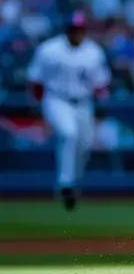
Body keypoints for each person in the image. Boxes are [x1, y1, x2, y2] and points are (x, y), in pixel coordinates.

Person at [26, 11, 111, 210]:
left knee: (85, 144)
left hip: (83, 102)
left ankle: (73, 183)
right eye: (73, 30)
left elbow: (101, 85)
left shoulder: (94, 52)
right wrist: (40, 109)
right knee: (68, 133)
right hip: (57, 99)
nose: (76, 33)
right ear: (66, 30)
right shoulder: (49, 50)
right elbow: (35, 80)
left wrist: (100, 109)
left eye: (79, 30)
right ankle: (65, 184)